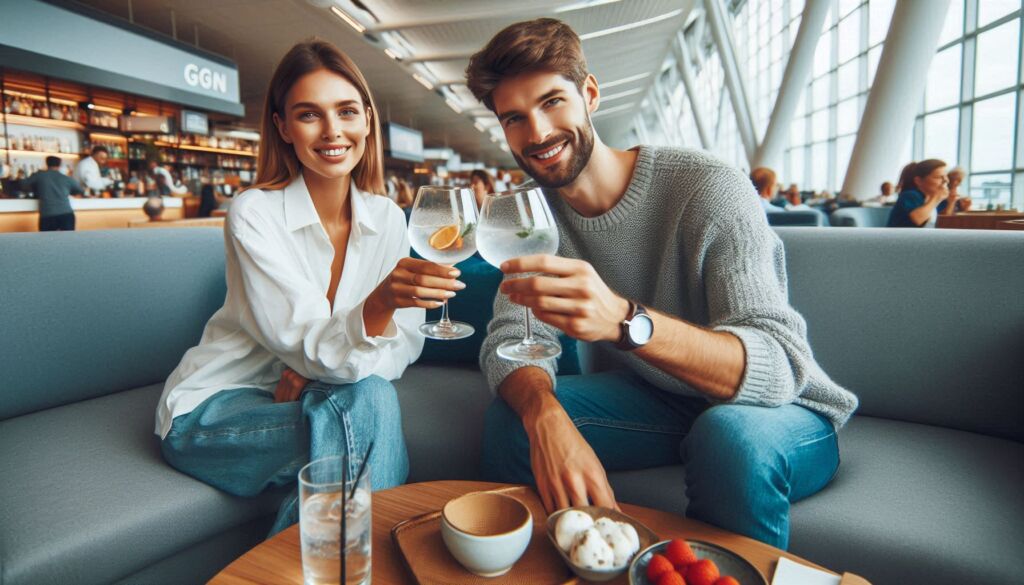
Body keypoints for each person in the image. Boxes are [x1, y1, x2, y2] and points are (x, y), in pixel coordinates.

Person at [465, 18, 857, 550]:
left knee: (730, 437)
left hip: (781, 412)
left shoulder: (707, 188)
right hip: (662, 402)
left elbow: (780, 368)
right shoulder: (531, 214)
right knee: (513, 421)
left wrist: (625, 323)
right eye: (514, 118)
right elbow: (511, 342)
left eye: (552, 102)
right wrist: (545, 415)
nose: (536, 133)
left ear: (590, 94)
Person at [155, 39, 463, 534]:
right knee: (369, 411)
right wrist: (378, 304)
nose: (332, 131)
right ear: (282, 127)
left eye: (345, 111)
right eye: (309, 115)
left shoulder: (387, 218)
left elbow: (404, 343)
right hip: (213, 411)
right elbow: (313, 347)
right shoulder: (253, 213)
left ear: (366, 119)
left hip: (314, 399)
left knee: (366, 405)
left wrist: (321, 376)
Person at [887, 159, 956, 228]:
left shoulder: (930, 198)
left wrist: (951, 202)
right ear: (918, 181)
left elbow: (942, 221)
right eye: (938, 177)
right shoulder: (910, 195)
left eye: (946, 176)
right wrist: (936, 198)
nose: (946, 180)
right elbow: (918, 219)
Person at [24, 155, 84, 231]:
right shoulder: (65, 178)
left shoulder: (39, 175)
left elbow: (24, 185)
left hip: (47, 214)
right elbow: (80, 190)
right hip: (66, 213)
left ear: (46, 164)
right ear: (60, 165)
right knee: (68, 240)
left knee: (47, 241)